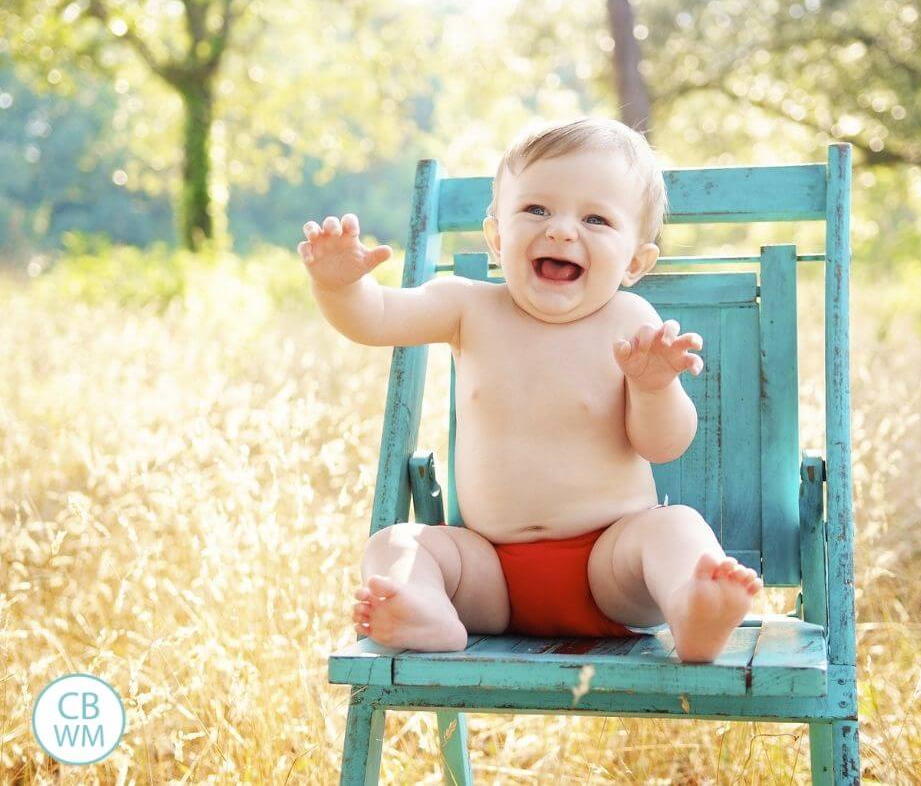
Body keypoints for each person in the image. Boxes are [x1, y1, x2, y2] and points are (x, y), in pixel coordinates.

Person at [297, 117, 762, 663]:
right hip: (487, 571)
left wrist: (655, 387)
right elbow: (374, 319)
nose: (563, 230)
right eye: (536, 209)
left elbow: (664, 445)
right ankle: (423, 610)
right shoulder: (465, 306)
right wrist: (339, 284)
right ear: (496, 237)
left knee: (675, 526)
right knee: (395, 543)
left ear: (636, 261)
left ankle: (693, 607)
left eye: (595, 218)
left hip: (608, 568)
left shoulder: (631, 321)